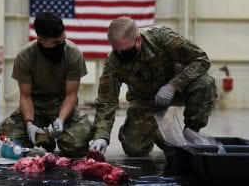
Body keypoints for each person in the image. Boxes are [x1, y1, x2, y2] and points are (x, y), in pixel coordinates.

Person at [89, 16, 217, 157]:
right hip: (145, 99)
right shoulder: (113, 62)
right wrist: (101, 136)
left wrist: (173, 85)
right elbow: (106, 101)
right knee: (135, 150)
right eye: (116, 49)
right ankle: (158, 128)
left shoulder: (161, 37)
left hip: (177, 90)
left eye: (125, 50)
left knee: (205, 84)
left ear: (138, 40)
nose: (119, 54)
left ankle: (191, 133)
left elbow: (201, 60)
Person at [0, 11, 92, 157]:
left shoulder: (73, 54)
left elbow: (71, 95)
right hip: (35, 102)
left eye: (63, 40)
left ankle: (45, 139)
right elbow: (25, 96)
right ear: (40, 40)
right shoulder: (25, 56)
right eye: (55, 42)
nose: (61, 44)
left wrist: (61, 119)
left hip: (61, 102)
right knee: (6, 133)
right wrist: (29, 124)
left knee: (77, 146)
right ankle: (44, 140)